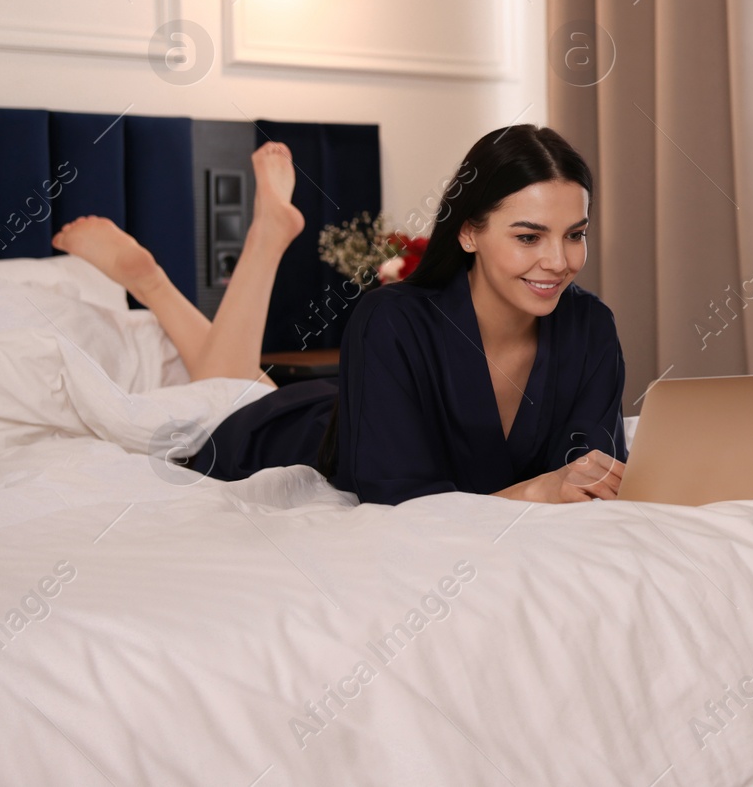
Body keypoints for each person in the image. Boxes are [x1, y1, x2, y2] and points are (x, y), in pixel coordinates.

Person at [50, 126, 627, 506]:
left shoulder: (589, 327)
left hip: (349, 406)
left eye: (575, 235)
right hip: (286, 436)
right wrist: (537, 494)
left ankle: (172, 277)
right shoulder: (390, 320)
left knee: (236, 378)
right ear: (469, 232)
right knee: (229, 390)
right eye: (529, 236)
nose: (559, 261)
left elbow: (591, 470)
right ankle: (155, 278)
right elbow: (401, 503)